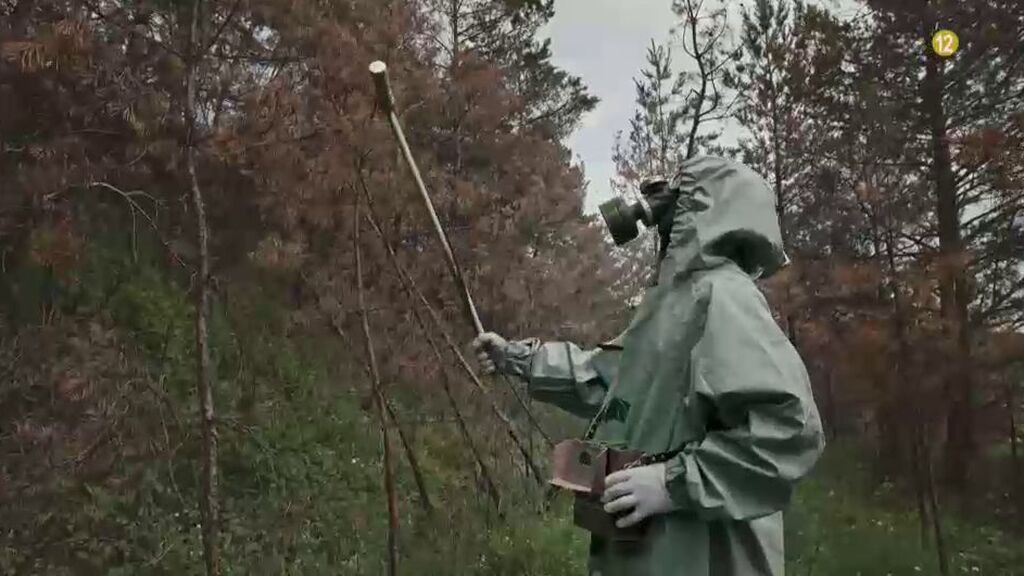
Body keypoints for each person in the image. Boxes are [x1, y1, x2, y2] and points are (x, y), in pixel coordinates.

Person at [471, 155, 826, 576]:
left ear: (701, 208)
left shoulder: (723, 295)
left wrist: (673, 483)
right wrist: (517, 357)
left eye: (671, 196)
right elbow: (604, 380)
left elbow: (789, 427)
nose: (655, 211)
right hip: (647, 551)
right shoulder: (672, 304)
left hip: (699, 552)